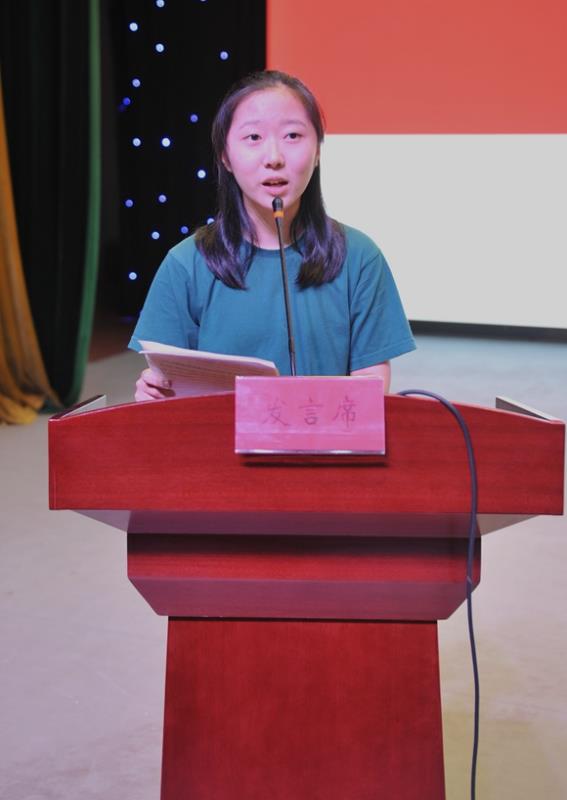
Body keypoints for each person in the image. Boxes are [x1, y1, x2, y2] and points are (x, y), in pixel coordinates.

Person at [130, 70, 415, 400]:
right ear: (225, 156)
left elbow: (370, 385)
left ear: (318, 150)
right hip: (218, 435)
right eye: (253, 137)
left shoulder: (360, 257)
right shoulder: (186, 264)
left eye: (293, 135)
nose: (274, 158)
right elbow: (165, 382)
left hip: (328, 434)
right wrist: (153, 393)